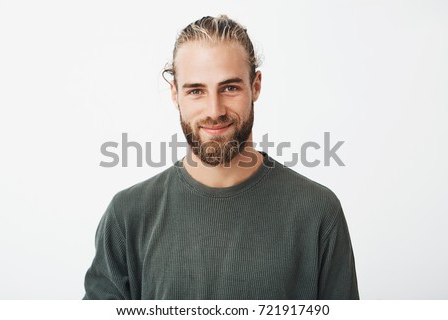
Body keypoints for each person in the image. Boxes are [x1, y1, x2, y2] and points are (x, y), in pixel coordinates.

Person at [83, 15, 359, 300]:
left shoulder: (317, 212)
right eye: (196, 91)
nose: (214, 110)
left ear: (256, 86)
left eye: (229, 88)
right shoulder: (128, 216)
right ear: (175, 94)